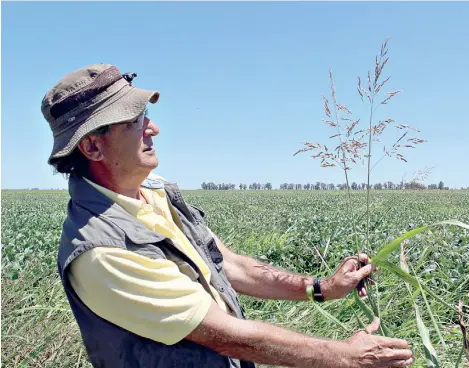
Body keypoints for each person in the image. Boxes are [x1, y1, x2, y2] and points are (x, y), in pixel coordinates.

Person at [41, 63, 414, 368]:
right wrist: (345, 357)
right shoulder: (102, 251)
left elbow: (229, 265)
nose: (152, 127)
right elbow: (227, 336)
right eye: (135, 121)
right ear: (91, 146)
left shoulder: (156, 191)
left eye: (146, 115)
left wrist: (320, 288)